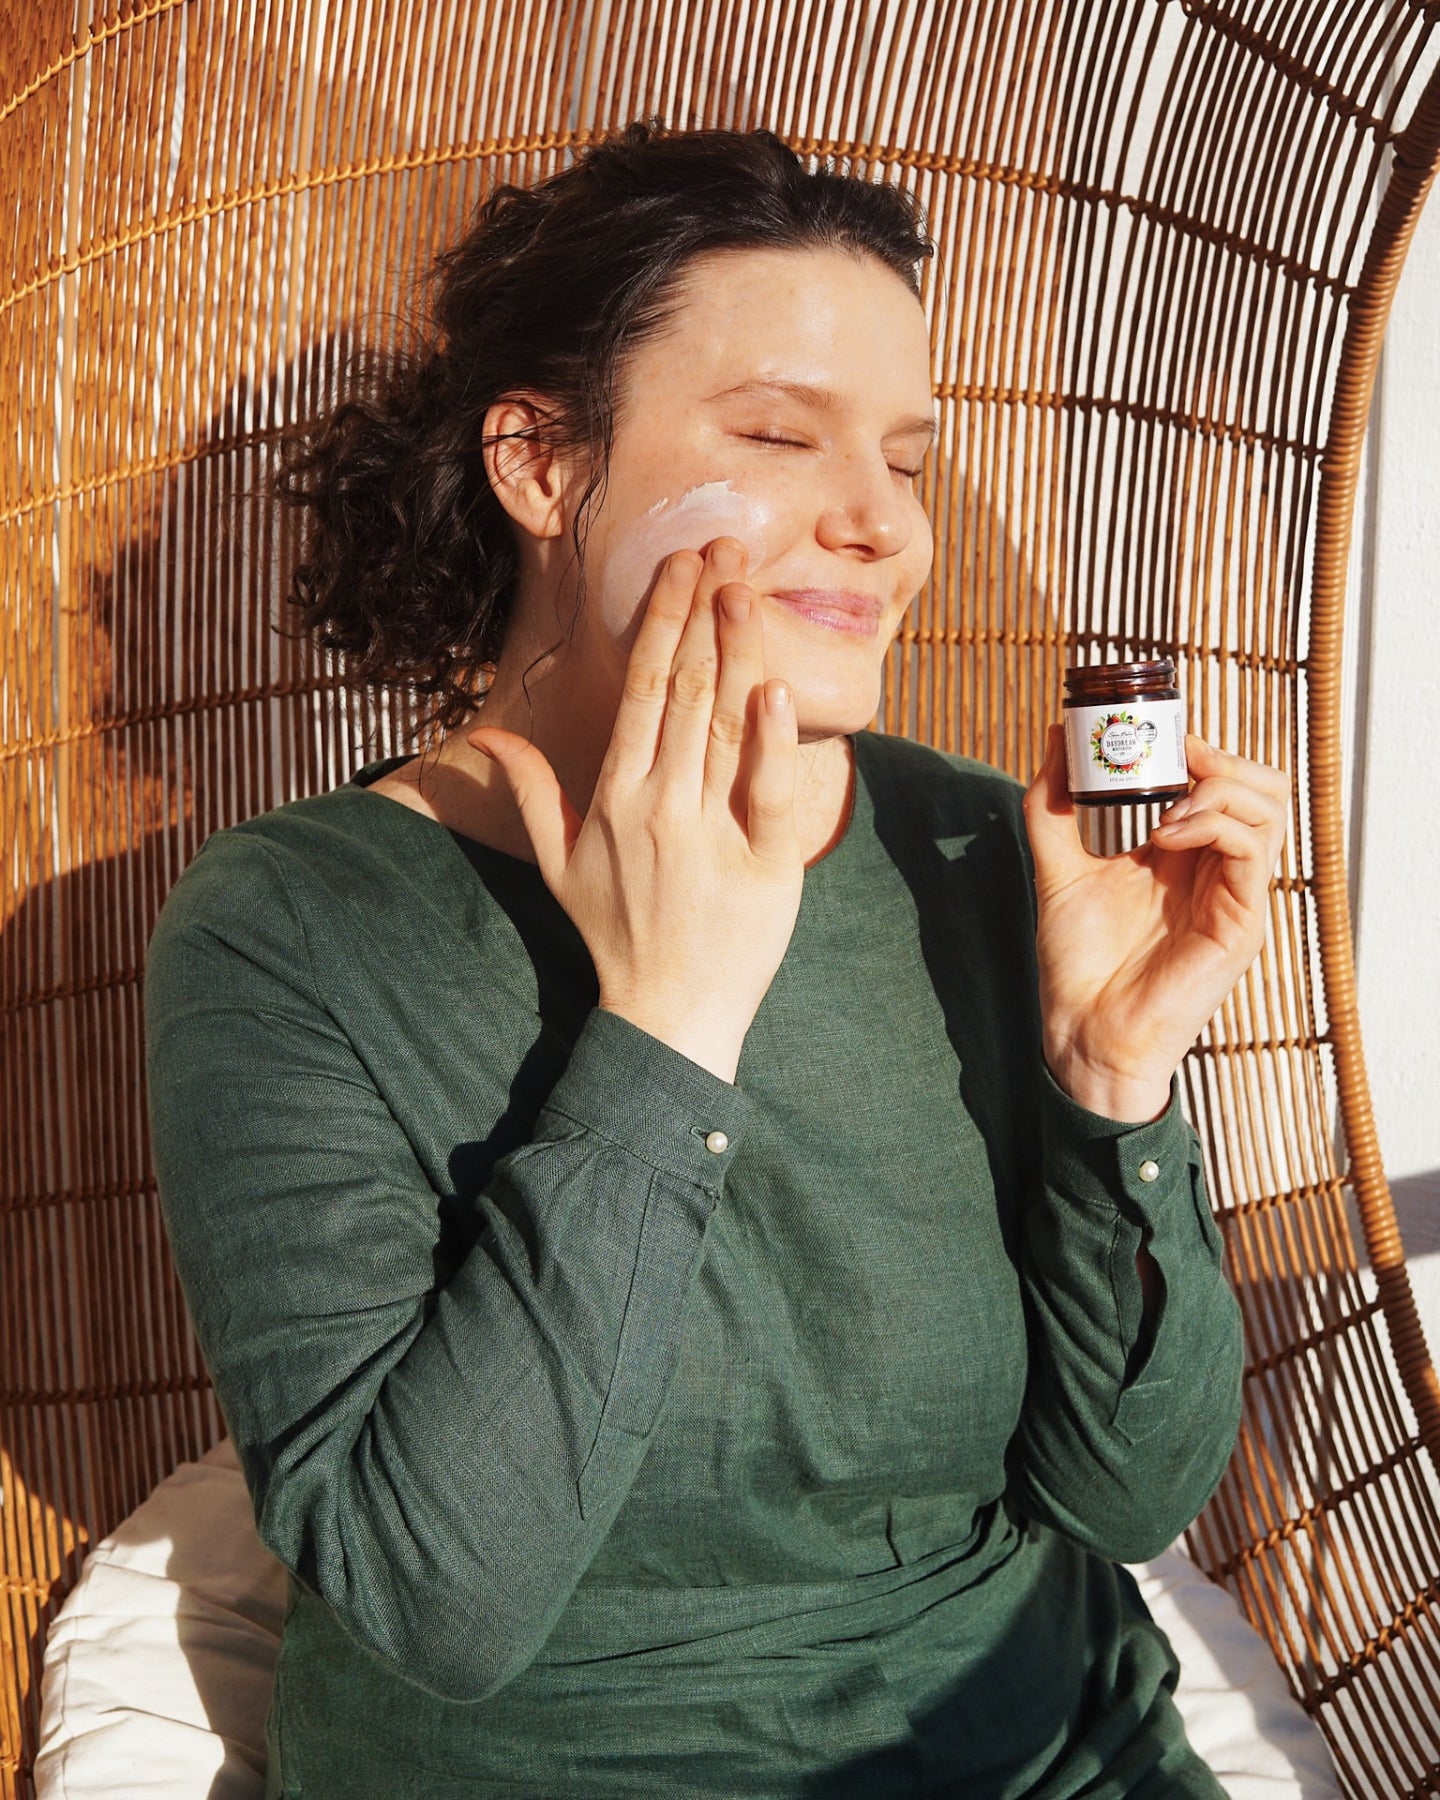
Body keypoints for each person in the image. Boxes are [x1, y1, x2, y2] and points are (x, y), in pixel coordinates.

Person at [143, 122, 1289, 1798]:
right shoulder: (297, 926)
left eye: (904, 459)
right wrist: (666, 1022)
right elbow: (434, 1599)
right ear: (540, 464)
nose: (882, 528)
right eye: (774, 434)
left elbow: (1128, 1497)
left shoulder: (979, 854)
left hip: (1043, 1753)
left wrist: (1113, 1087)